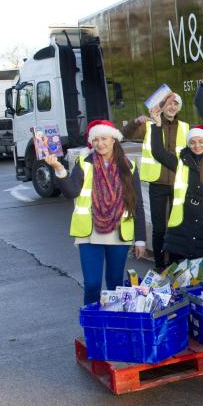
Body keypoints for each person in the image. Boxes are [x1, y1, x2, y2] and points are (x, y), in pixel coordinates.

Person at [46, 120, 146, 306]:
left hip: (118, 233)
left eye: (104, 138)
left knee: (115, 284)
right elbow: (71, 192)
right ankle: (93, 327)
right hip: (90, 232)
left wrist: (140, 239)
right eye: (96, 140)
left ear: (114, 139)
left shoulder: (128, 166)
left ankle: (112, 324)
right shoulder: (85, 163)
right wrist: (59, 170)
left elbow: (137, 204)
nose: (100, 144)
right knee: (92, 284)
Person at [149, 99, 203, 264]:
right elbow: (157, 152)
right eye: (192, 142)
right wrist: (156, 125)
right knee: (178, 278)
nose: (196, 145)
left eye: (200, 142)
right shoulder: (180, 162)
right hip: (180, 229)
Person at [121, 93, 189, 270]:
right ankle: (160, 265)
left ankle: (175, 264)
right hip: (157, 183)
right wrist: (136, 121)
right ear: (162, 106)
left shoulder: (185, 127)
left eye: (176, 103)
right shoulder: (149, 126)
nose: (172, 107)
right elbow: (125, 134)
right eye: (168, 103)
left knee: (177, 226)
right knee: (159, 227)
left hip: (179, 184)